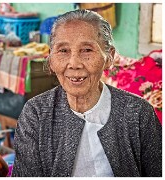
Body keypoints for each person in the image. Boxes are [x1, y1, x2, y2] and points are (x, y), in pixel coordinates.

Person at [12, 9, 162, 177]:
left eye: (87, 50)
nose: (74, 63)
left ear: (109, 57)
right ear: (51, 59)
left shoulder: (138, 113)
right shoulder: (36, 113)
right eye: (63, 51)